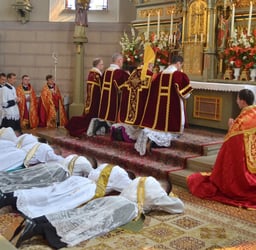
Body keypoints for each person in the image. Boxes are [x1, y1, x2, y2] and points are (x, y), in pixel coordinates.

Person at [13, 176, 183, 249]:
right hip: (126, 208)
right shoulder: (159, 191)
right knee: (89, 223)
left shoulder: (140, 179)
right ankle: (41, 229)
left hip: (112, 200)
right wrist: (169, 195)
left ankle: (38, 222)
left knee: (79, 213)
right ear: (164, 187)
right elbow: (177, 207)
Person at [187, 89, 256, 209]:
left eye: (238, 99)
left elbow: (231, 145)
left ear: (243, 101)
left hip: (244, 163)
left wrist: (230, 127)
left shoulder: (241, 121)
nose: (236, 101)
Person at [0, 163, 135, 218]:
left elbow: (92, 173)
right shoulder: (122, 175)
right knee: (59, 203)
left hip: (79, 181)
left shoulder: (107, 165)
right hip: (86, 189)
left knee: (49, 192)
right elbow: (130, 188)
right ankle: (29, 212)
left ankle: (9, 197)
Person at [135, 55, 193, 155]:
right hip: (172, 106)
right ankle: (154, 143)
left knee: (161, 126)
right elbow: (186, 94)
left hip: (159, 106)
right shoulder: (177, 75)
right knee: (170, 130)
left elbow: (153, 91)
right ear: (178, 63)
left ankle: (152, 140)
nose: (181, 67)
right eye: (181, 65)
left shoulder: (160, 74)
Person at [65, 58, 104, 137]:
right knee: (88, 119)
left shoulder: (92, 73)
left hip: (90, 100)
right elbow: (99, 90)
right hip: (95, 101)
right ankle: (73, 123)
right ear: (98, 65)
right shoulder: (96, 75)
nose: (103, 66)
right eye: (102, 64)